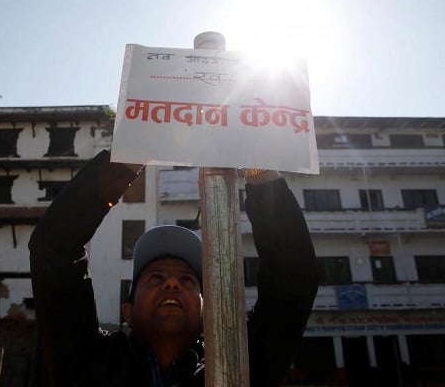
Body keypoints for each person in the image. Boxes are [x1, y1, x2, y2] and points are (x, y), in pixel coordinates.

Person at [29, 150, 318, 386]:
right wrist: (135, 147)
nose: (172, 284)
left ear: (207, 312)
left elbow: (292, 280)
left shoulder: (241, 366)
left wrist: (256, 162)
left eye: (187, 280)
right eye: (155, 277)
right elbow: (53, 250)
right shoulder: (87, 362)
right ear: (127, 311)